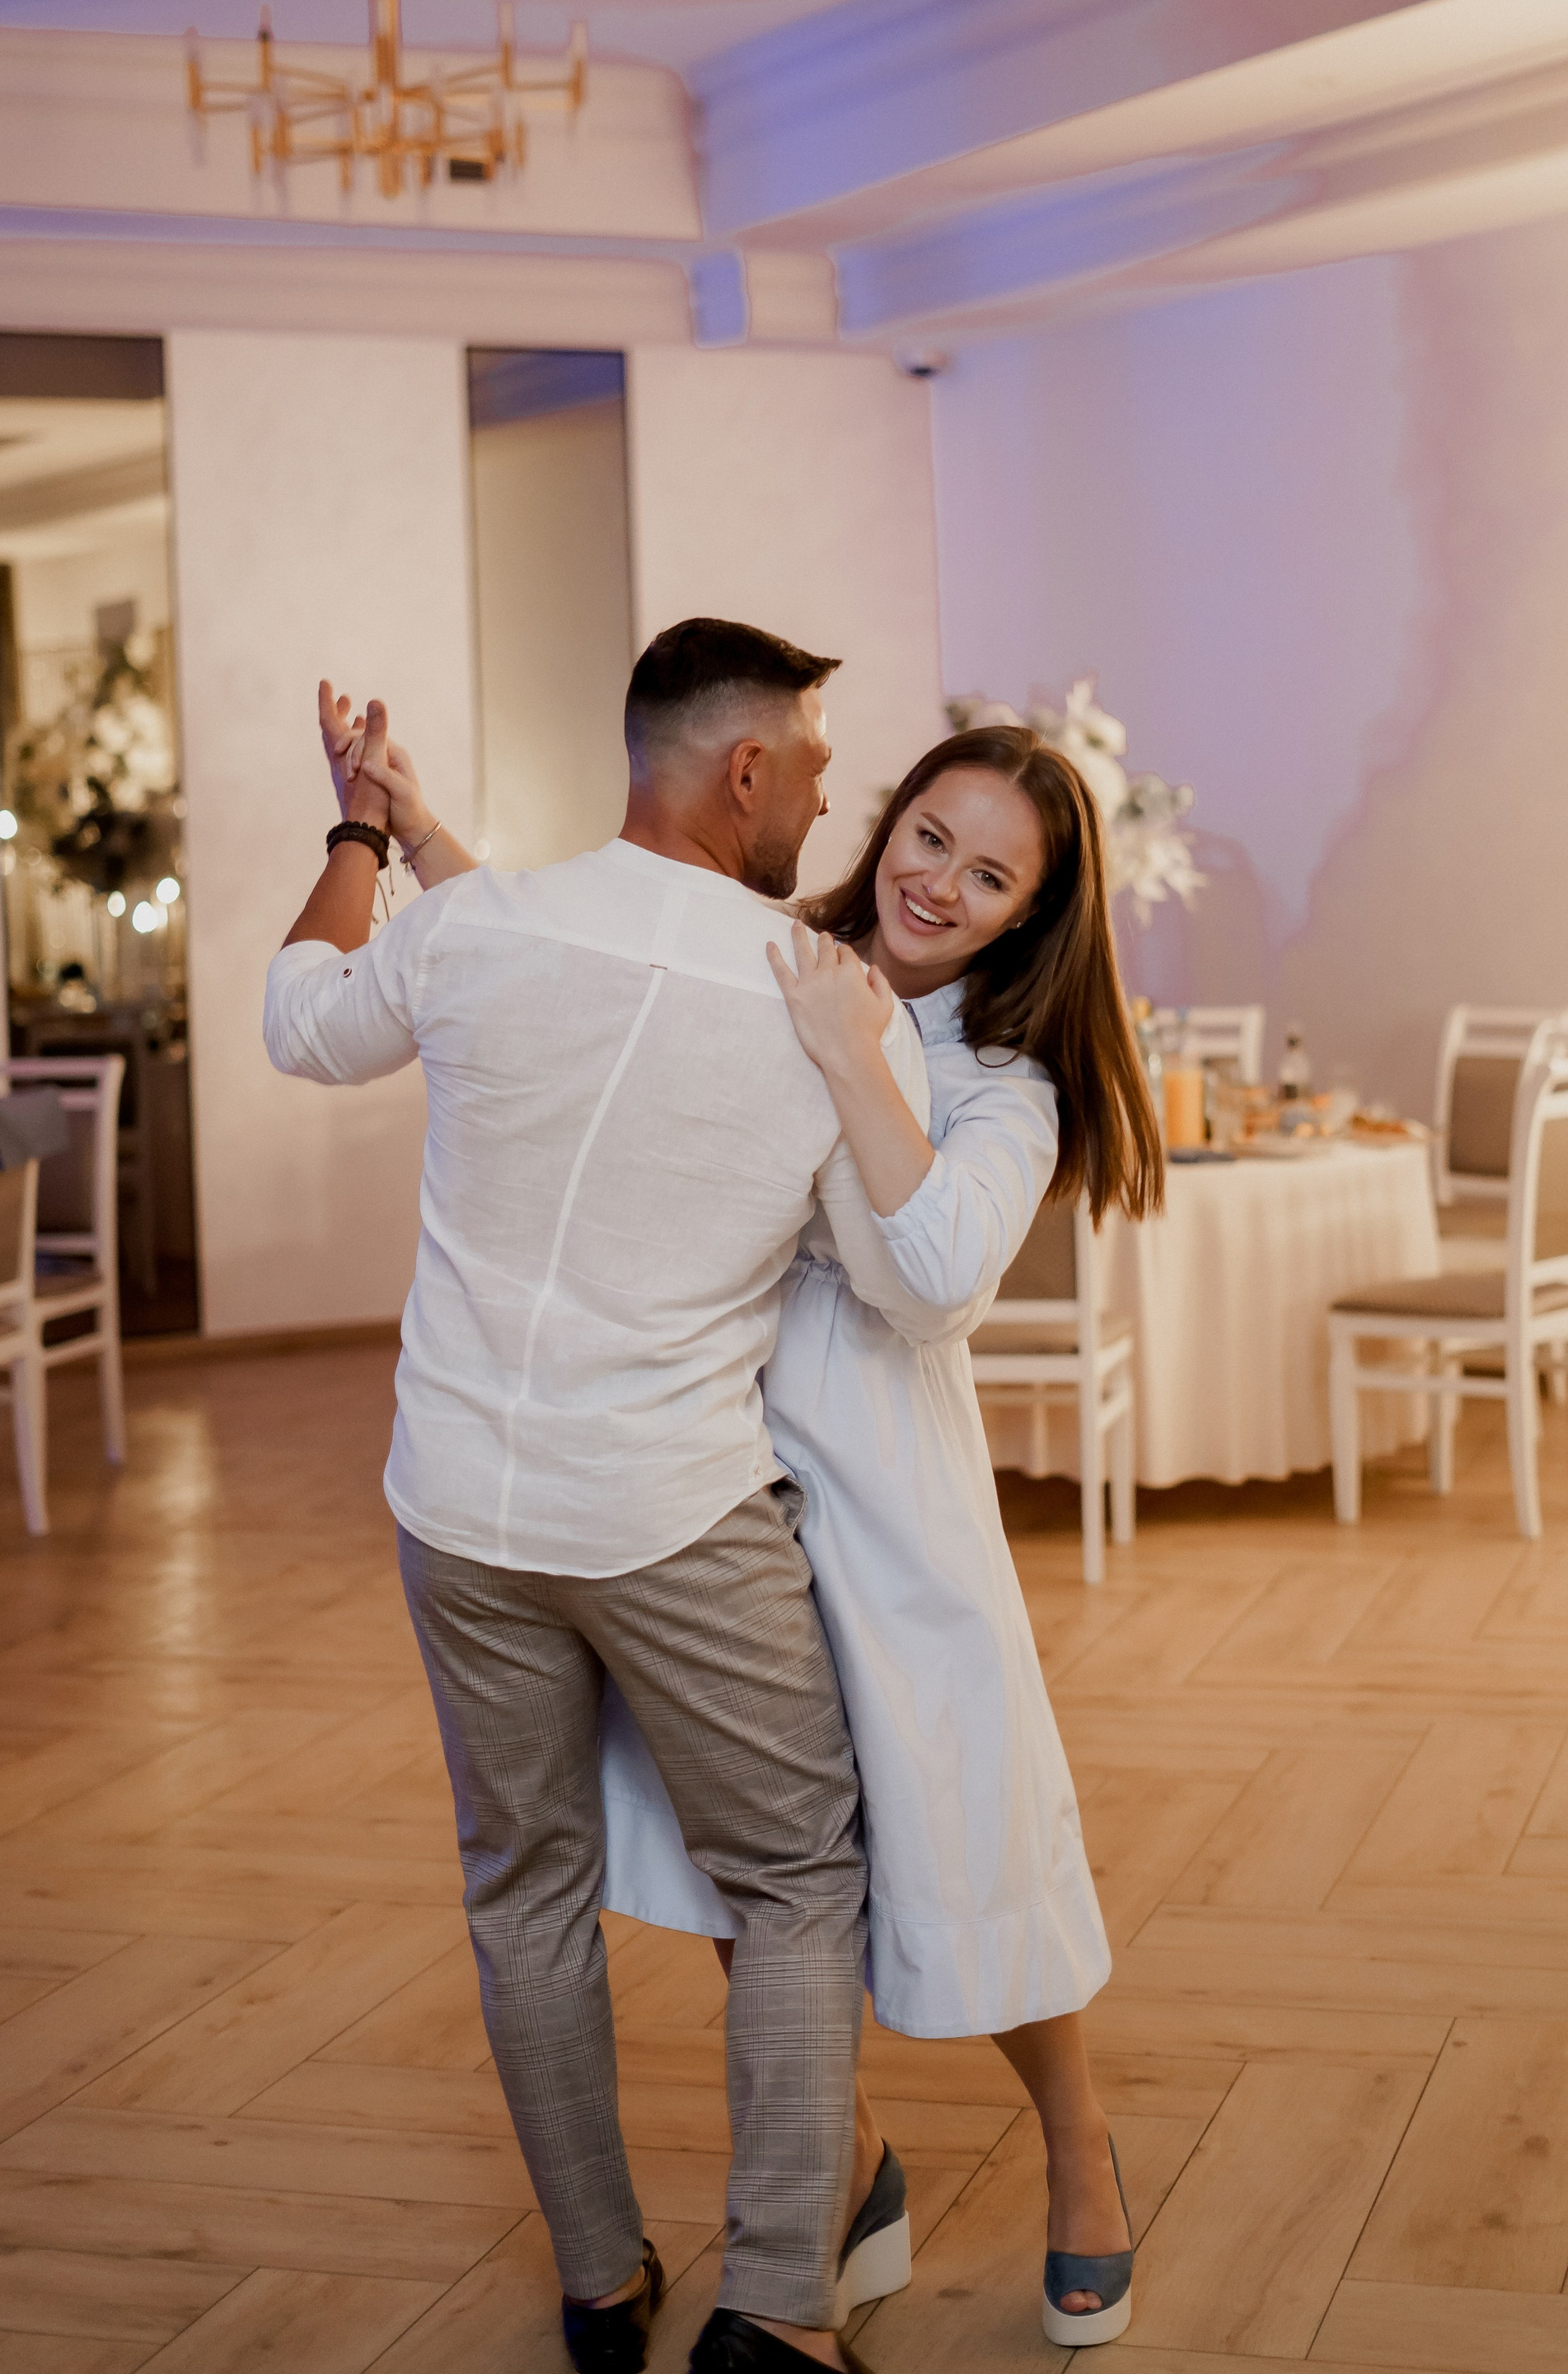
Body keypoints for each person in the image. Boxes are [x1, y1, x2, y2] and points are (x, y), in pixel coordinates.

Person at [264, 620, 983, 2374]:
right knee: (796, 1878)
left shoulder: (481, 927)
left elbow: (300, 1019)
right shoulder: (822, 998)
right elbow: (903, 1282)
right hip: (672, 1515)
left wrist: (367, 828)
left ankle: (600, 2285)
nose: (829, 800)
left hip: (458, 1508)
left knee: (524, 1888)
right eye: (817, 766)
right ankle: (779, 2307)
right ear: (746, 770)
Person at [396, 719, 1165, 2351]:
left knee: (971, 1869)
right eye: (931, 835)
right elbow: (563, 953)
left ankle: (1079, 2143)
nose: (939, 882)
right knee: (761, 1884)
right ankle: (851, 2168)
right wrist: (420, 836)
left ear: (1031, 915)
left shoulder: (1003, 1081)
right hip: (706, 1494)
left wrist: (850, 1051)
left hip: (890, 1521)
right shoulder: (770, 948)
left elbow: (936, 1277)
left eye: (991, 874)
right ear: (888, 821)